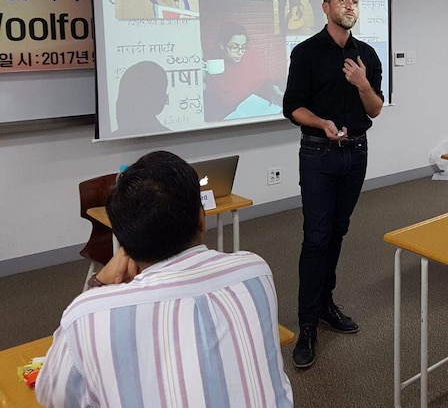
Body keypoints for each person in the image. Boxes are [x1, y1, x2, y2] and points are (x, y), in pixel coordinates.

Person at [35, 151, 294, 407]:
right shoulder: (254, 271)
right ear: (201, 219)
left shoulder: (87, 315)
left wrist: (99, 283)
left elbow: (52, 395)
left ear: (124, 241)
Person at [282, 0, 383, 369]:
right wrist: (321, 122)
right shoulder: (306, 53)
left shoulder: (367, 55)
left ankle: (325, 304)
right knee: (316, 236)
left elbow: (374, 109)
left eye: (355, 1)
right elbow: (293, 107)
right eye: (342, 0)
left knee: (338, 230)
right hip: (318, 153)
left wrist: (361, 85)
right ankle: (306, 324)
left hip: (356, 152)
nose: (350, 6)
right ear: (326, 7)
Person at [203, 24, 284, 121]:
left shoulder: (250, 56)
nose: (240, 52)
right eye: (234, 47)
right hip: (225, 118)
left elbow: (264, 80)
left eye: (244, 47)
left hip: (255, 112)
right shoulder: (211, 62)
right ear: (222, 46)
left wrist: (274, 89)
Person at [112, 60, 170, 136]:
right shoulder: (110, 139)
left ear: (161, 102)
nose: (121, 107)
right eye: (124, 99)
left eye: (137, 99)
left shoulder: (171, 139)